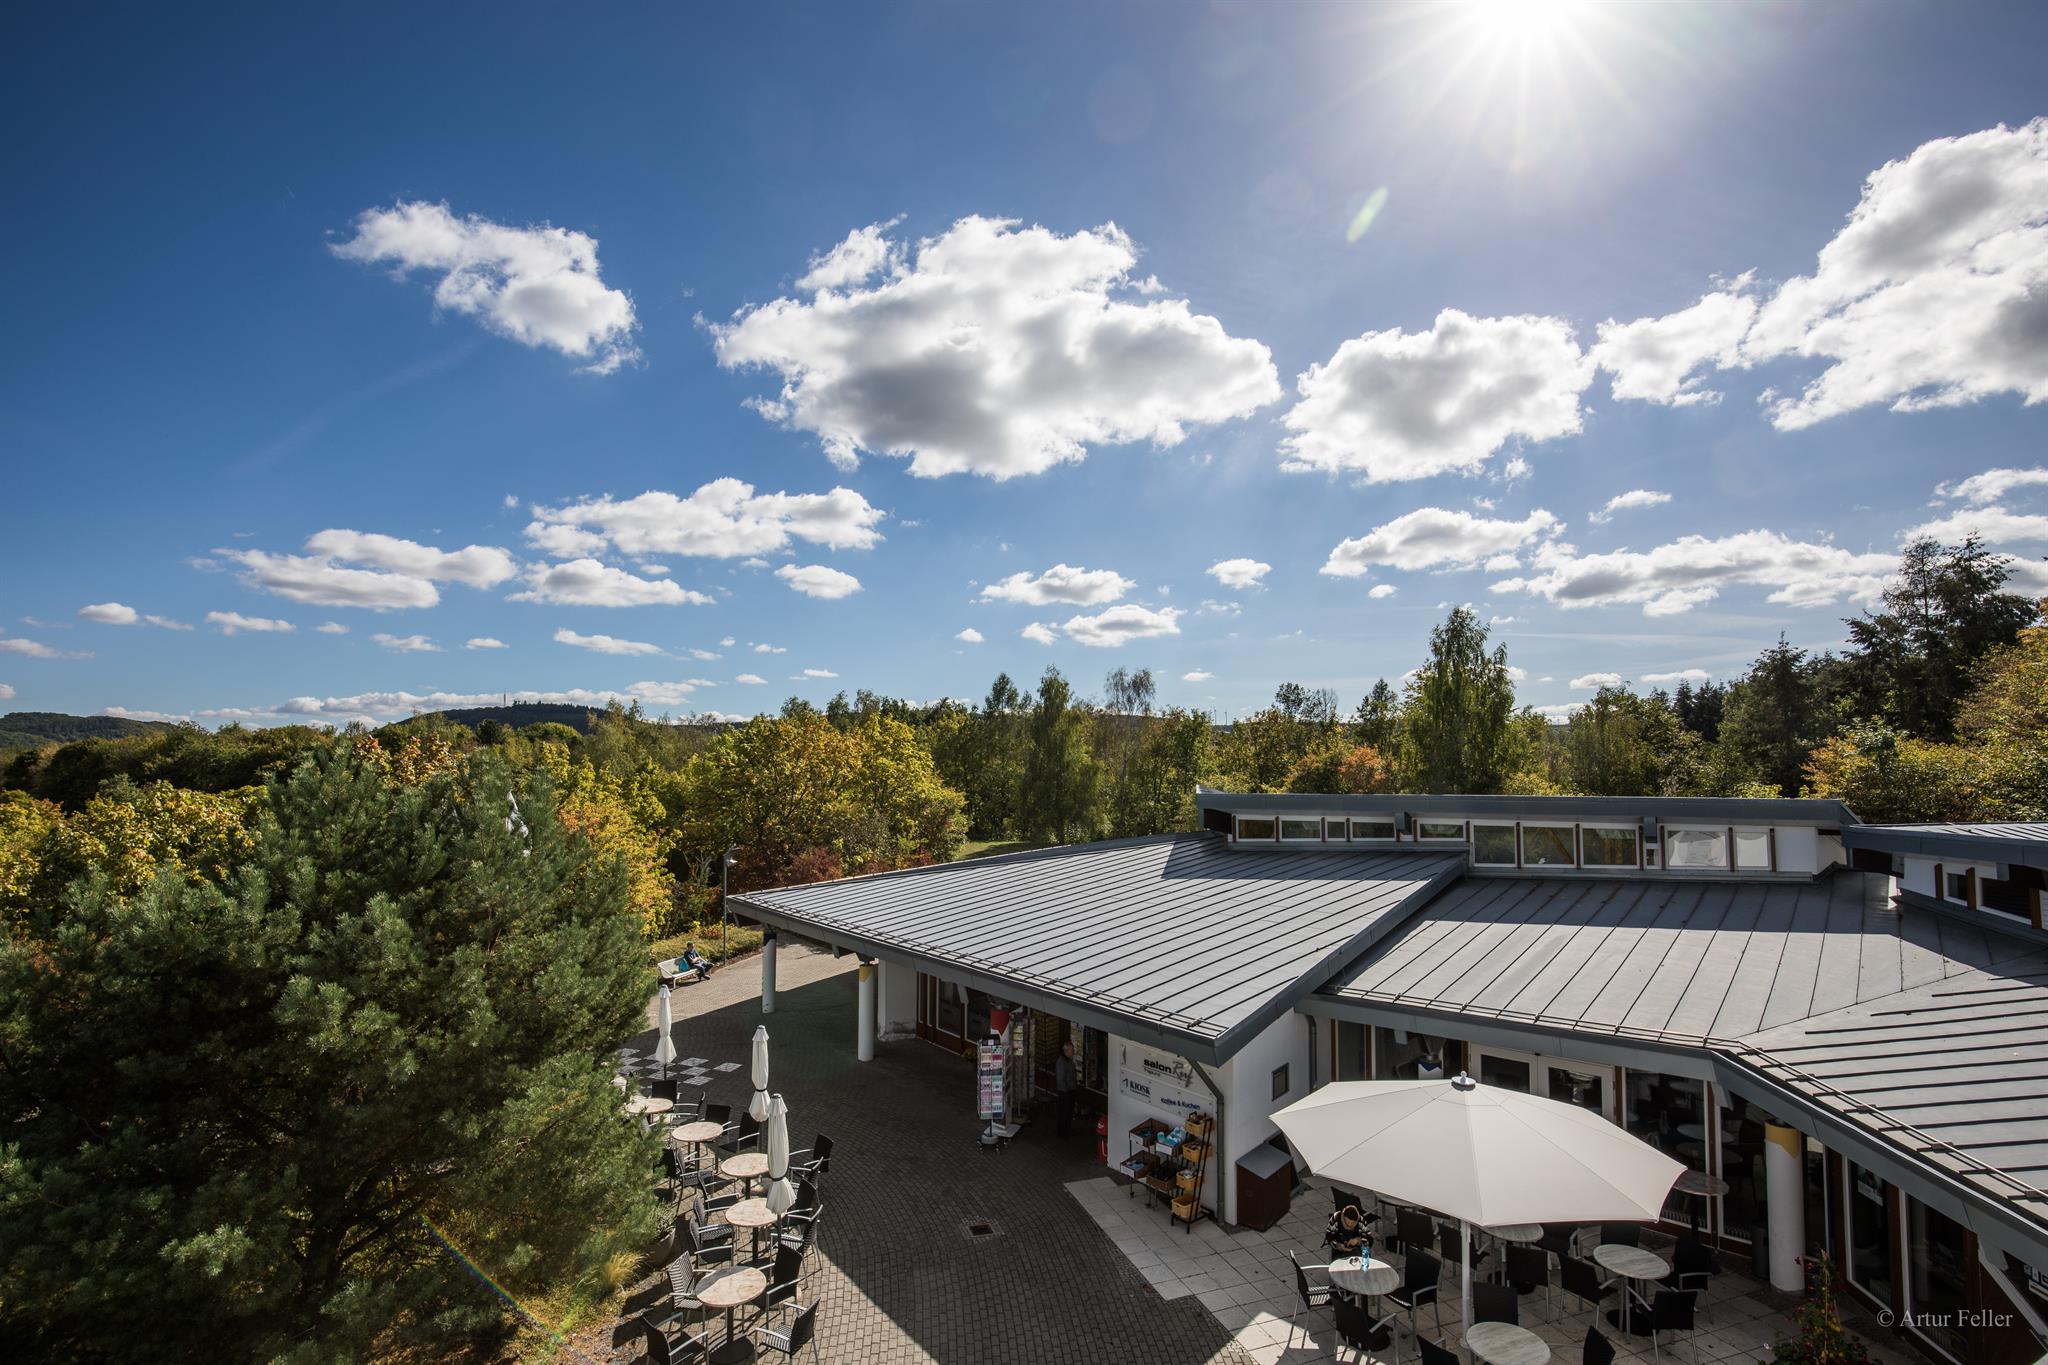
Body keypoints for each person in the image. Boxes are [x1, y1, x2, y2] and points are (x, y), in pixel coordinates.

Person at [1054, 1040, 1078, 1137]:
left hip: (1069, 1091)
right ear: (1066, 1051)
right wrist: (1068, 1089)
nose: (1073, 1052)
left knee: (1068, 1112)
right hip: (1065, 1092)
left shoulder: (1068, 1060)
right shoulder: (1061, 1062)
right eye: (1072, 1050)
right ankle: (1062, 1132)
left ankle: (1067, 1130)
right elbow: (1061, 1079)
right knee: (1064, 1112)